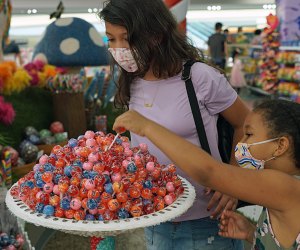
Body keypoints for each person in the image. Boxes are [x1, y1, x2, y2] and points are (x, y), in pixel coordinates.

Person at [99, 0, 249, 249]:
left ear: (155, 35)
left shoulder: (198, 77)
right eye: (111, 39)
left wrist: (234, 180)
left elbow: (246, 124)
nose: (118, 48)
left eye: (126, 38)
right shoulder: (131, 81)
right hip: (154, 216)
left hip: (207, 218)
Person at [113, 99, 300, 250]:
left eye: (249, 135)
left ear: (280, 145)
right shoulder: (282, 190)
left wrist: (146, 127)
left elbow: (209, 172)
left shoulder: (288, 187)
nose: (240, 144)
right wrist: (253, 233)